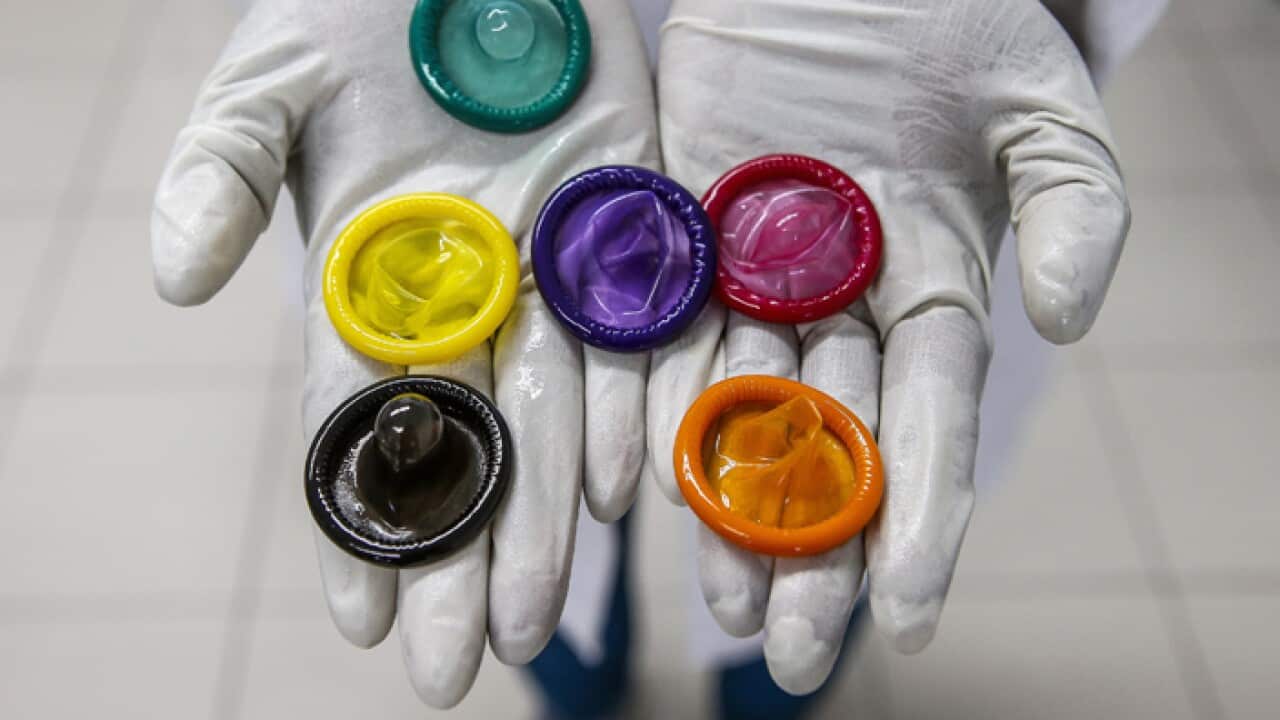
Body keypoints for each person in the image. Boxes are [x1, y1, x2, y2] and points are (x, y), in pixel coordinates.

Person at [153, 0, 1166, 717]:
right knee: (533, 531)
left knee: (814, 559)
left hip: (856, 86)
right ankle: (582, 686)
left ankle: (760, 699)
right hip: (470, 150)